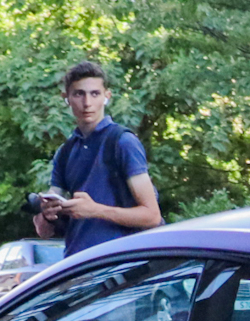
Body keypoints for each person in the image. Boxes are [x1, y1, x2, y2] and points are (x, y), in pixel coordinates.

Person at [33, 62, 163, 257]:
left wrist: (94, 210)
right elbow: (44, 231)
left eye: (94, 94)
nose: (87, 103)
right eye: (79, 94)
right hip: (78, 267)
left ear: (106, 97)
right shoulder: (65, 152)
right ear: (66, 98)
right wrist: (46, 213)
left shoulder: (123, 142)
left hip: (121, 267)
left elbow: (152, 216)